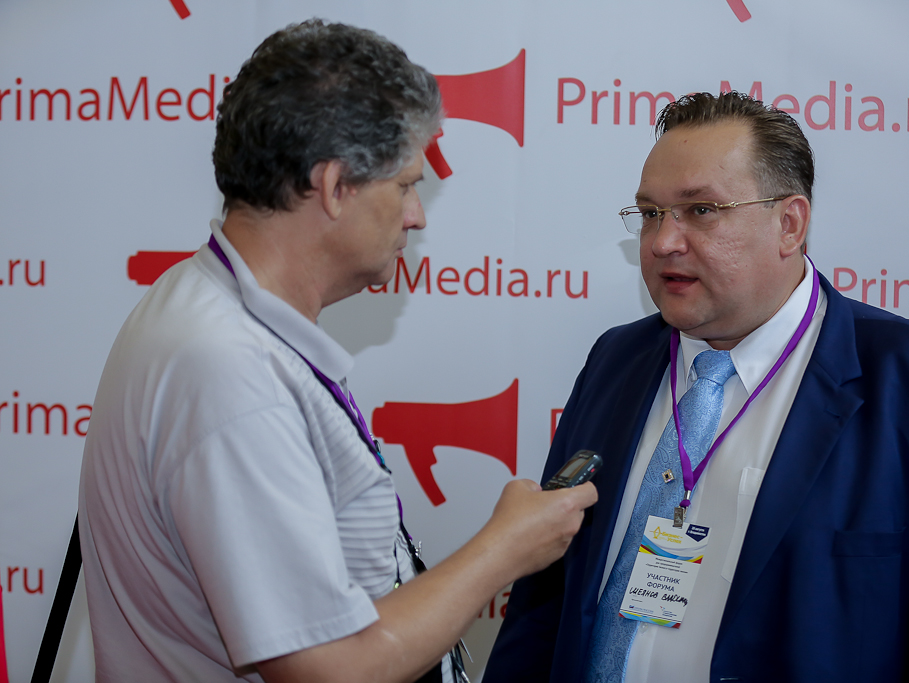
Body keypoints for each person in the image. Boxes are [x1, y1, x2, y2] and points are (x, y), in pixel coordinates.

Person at [77, 19, 597, 683]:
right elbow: (330, 668)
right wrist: (504, 549)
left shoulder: (203, 306)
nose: (417, 215)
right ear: (334, 186)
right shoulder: (232, 374)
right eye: (405, 185)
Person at [484, 92, 909, 683]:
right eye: (651, 213)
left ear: (789, 224)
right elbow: (544, 604)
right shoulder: (616, 360)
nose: (663, 241)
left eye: (701, 210)